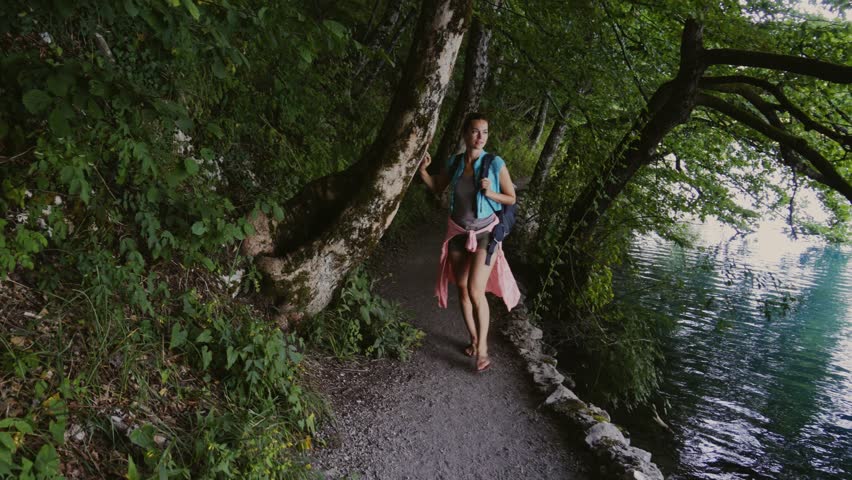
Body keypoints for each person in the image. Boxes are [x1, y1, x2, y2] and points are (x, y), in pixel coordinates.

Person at [418, 113, 520, 373]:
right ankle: (474, 339)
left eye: (484, 132)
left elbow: (510, 198)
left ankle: (483, 349)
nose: (480, 137)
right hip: (458, 232)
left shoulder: (495, 163)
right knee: (462, 289)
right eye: (475, 131)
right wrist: (422, 170)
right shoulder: (454, 163)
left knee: (476, 291)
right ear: (465, 134)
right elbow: (437, 186)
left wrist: (490, 192)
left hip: (486, 232)